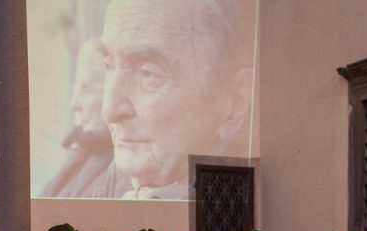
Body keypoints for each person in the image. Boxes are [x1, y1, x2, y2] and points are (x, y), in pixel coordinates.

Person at [97, 0, 255, 199]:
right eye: (108, 65)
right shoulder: (118, 181)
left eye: (147, 72)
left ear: (234, 102)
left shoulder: (245, 209)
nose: (109, 110)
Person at [40, 39, 131, 198]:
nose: (73, 104)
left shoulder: (129, 168)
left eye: (85, 89)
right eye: (76, 89)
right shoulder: (82, 152)